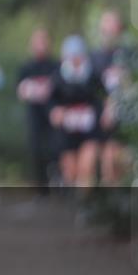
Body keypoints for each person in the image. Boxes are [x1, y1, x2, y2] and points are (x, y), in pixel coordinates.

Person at [49, 35, 106, 188]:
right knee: (71, 172)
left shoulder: (93, 74)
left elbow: (101, 98)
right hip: (67, 131)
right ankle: (73, 202)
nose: (75, 59)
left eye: (77, 55)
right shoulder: (58, 77)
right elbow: (51, 101)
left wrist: (101, 113)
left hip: (89, 129)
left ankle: (85, 206)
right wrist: (55, 111)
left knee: (86, 169)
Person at [16, 27, 61, 194]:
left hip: (52, 113)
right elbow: (20, 91)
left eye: (43, 41)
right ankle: (41, 188)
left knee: (56, 148)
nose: (40, 45)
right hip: (34, 114)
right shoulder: (26, 67)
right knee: (36, 149)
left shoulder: (56, 65)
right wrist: (30, 91)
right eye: (37, 42)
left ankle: (58, 180)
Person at [91, 9, 129, 184]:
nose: (109, 32)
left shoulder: (129, 55)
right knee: (104, 162)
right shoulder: (95, 58)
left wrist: (114, 105)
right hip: (101, 120)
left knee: (122, 161)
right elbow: (91, 89)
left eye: (113, 27)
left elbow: (134, 84)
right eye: (106, 27)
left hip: (125, 118)